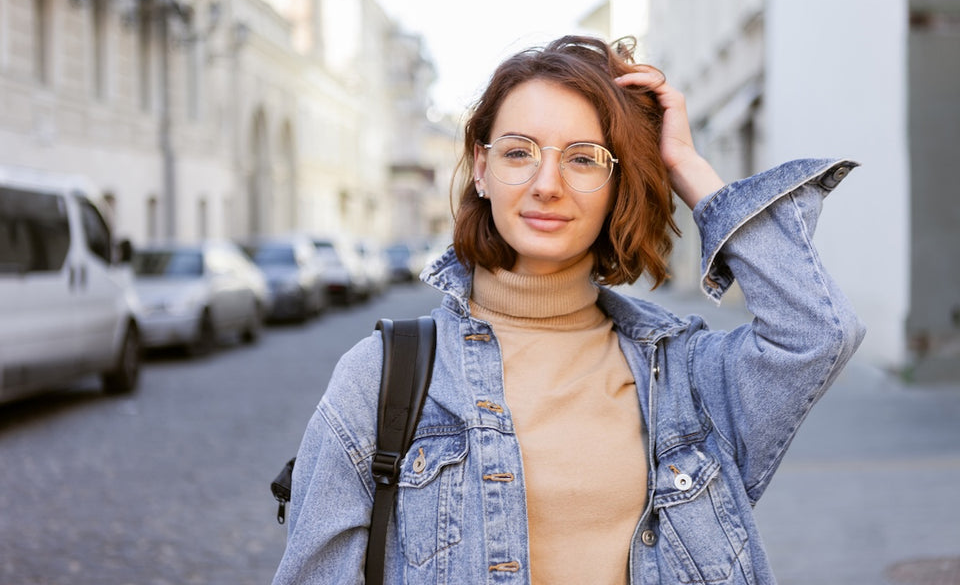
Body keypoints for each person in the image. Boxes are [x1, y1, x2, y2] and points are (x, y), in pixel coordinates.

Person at [272, 35, 865, 585]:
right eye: (518, 153)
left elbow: (816, 332)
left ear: (616, 183)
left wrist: (685, 163)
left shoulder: (682, 377)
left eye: (583, 158)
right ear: (481, 170)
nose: (546, 183)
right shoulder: (381, 377)